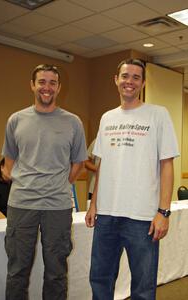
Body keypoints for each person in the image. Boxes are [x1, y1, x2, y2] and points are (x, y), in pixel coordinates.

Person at [85, 59, 179, 300]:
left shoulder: (158, 115)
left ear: (143, 83)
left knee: (143, 287)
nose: (130, 81)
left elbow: (167, 164)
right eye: (125, 76)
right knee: (100, 280)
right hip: (106, 216)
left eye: (136, 77)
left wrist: (163, 212)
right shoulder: (107, 118)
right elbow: (102, 164)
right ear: (116, 80)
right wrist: (94, 204)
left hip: (142, 217)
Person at [2, 64, 87, 300]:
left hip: (57, 207)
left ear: (59, 87)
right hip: (21, 205)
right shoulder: (16, 120)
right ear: (32, 85)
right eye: (41, 82)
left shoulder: (73, 122)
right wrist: (26, 183)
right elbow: (9, 162)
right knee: (17, 270)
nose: (46, 87)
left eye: (52, 83)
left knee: (56, 272)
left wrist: (59, 183)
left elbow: (78, 163)